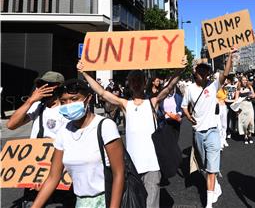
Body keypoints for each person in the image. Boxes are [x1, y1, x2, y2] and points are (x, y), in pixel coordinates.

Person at [77, 56, 187, 208]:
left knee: (151, 204)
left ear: (144, 83)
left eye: (138, 80)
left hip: (152, 165)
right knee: (133, 202)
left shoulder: (152, 102)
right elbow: (102, 92)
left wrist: (180, 69)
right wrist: (85, 73)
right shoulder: (124, 104)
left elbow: (168, 88)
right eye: (133, 80)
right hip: (131, 166)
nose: (136, 83)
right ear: (129, 84)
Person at [31, 79, 125, 208]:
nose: (68, 104)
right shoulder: (63, 132)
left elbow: (119, 174)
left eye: (74, 99)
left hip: (106, 200)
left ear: (88, 99)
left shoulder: (105, 126)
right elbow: (53, 177)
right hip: (80, 202)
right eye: (63, 101)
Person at [6, 71, 75, 207]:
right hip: (35, 170)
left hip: (58, 171)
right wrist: (31, 100)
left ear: (57, 87)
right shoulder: (38, 106)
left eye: (46, 85)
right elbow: (11, 124)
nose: (41, 88)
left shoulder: (67, 110)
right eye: (40, 84)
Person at [181, 48, 234, 208]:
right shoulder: (189, 89)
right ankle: (215, 186)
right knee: (204, 167)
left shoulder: (214, 85)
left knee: (211, 169)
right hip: (198, 133)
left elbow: (226, 72)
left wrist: (230, 56)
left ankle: (208, 203)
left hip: (212, 132)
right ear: (195, 72)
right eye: (201, 71)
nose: (203, 74)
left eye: (206, 71)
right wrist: (189, 117)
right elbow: (184, 106)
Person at [235, 75, 255, 144]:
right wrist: (236, 110)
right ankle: (245, 136)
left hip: (249, 105)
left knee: (250, 121)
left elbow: (254, 95)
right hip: (242, 106)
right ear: (241, 81)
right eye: (243, 80)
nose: (245, 81)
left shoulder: (249, 87)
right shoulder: (238, 88)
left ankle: (250, 135)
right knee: (244, 122)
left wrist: (250, 96)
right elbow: (236, 99)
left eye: (246, 80)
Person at [216, 80, 229, 149]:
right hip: (218, 108)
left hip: (224, 107)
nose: (225, 83)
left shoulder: (225, 89)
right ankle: (220, 142)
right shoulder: (216, 88)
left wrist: (235, 101)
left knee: (224, 125)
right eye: (224, 82)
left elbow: (226, 100)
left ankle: (224, 139)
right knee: (219, 125)